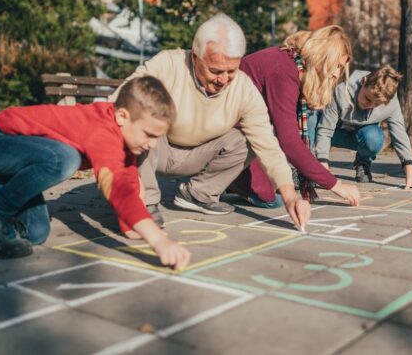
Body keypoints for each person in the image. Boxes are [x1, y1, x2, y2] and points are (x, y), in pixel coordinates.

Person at [113, 13, 310, 229]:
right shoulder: (168, 64)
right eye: (215, 70)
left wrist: (290, 196)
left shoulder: (243, 88)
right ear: (196, 57)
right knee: (140, 119)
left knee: (245, 140)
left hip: (197, 155)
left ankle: (198, 194)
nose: (223, 80)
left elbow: (268, 144)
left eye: (231, 71)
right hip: (154, 149)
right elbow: (120, 100)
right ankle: (145, 203)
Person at [0, 76, 191, 269]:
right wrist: (156, 240)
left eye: (158, 138)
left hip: (17, 157)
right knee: (65, 158)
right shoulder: (102, 129)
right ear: (123, 117)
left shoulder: (123, 136)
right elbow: (116, 186)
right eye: (149, 134)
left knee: (35, 233)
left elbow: (127, 177)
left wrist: (133, 226)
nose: (152, 145)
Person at [230, 25, 361, 208]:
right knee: (270, 199)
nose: (336, 74)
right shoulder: (284, 70)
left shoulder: (293, 62)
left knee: (278, 184)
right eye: (337, 65)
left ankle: (230, 174)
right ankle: (223, 175)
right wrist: (337, 185)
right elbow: (289, 142)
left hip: (243, 130)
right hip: (227, 134)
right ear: (322, 56)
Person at [315, 65, 412, 190]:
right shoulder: (341, 91)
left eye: (376, 104)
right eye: (367, 98)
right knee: (312, 124)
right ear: (364, 81)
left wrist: (410, 173)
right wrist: (323, 163)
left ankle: (363, 162)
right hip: (335, 133)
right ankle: (307, 166)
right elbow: (325, 130)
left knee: (374, 137)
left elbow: (399, 133)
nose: (369, 105)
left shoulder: (390, 102)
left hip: (359, 137)